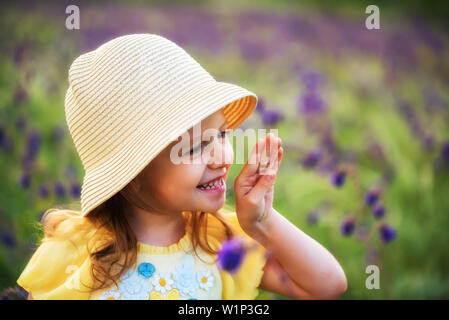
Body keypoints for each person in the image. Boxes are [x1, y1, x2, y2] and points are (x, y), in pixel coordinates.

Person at [17, 34, 347, 300]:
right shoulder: (74, 251)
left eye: (221, 134)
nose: (222, 156)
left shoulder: (222, 243)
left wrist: (262, 222)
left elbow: (327, 285)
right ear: (132, 175)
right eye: (195, 146)